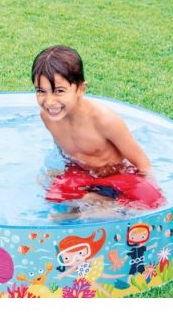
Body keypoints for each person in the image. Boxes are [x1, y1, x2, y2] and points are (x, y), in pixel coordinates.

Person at [31, 45, 164, 210]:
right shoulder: (47, 117)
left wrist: (149, 189)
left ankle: (100, 203)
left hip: (117, 176)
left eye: (59, 91)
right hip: (81, 173)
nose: (49, 102)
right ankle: (92, 202)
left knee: (153, 202)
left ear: (81, 89)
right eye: (41, 91)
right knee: (54, 200)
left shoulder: (105, 120)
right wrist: (58, 174)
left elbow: (142, 163)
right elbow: (63, 151)